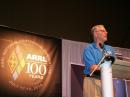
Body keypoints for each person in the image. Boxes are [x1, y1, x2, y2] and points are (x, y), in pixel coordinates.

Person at [83, 24, 115, 97]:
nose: (106, 32)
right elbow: (93, 68)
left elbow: (115, 65)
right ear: (96, 33)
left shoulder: (110, 49)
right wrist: (107, 68)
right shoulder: (89, 49)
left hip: (108, 81)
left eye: (106, 31)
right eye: (103, 31)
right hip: (93, 81)